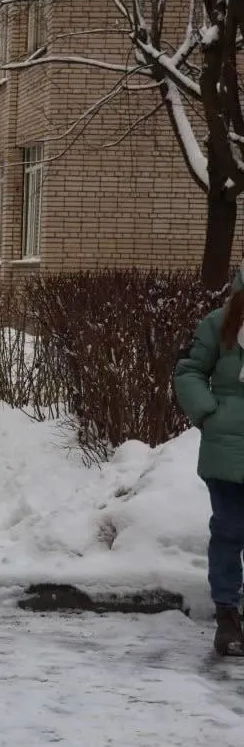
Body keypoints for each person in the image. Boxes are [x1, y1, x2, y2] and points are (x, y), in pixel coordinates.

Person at [174, 266, 244, 656]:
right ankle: (228, 616)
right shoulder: (218, 324)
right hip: (227, 448)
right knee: (230, 531)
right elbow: (188, 371)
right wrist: (208, 414)